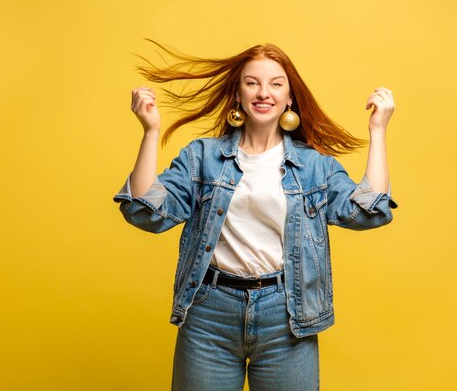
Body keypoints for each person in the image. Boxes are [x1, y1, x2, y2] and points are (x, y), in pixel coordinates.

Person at [114, 42, 398, 391]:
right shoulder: (203, 157)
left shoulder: (313, 166)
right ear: (238, 93)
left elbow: (367, 212)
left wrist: (378, 132)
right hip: (209, 314)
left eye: (276, 84)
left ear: (290, 97)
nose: (264, 93)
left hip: (288, 316)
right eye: (252, 83)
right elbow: (145, 212)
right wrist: (150, 131)